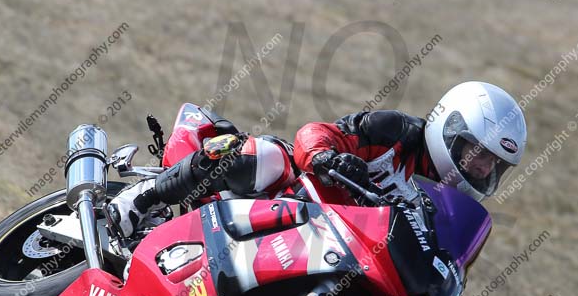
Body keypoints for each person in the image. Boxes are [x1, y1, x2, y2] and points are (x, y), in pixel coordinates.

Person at [109, 81, 527, 237]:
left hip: (329, 246)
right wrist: (329, 158)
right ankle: (144, 197)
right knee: (268, 157)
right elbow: (319, 132)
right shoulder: (397, 133)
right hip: (293, 197)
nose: (483, 168)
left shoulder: (451, 208)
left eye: (494, 165)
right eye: (478, 153)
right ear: (451, 130)